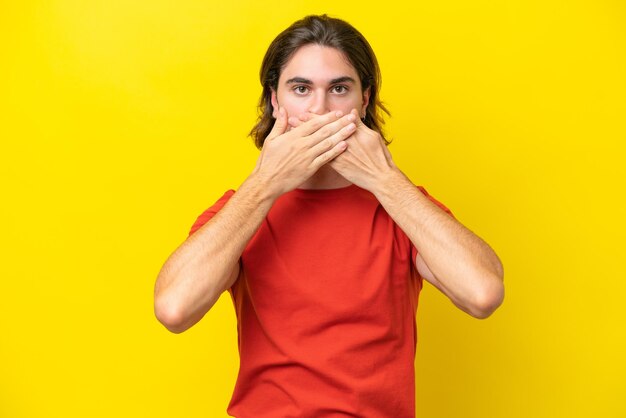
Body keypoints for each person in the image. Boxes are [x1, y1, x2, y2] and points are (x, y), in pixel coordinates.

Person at [154, 14, 504, 418]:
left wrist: (385, 181)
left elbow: (483, 294)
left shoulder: (402, 207)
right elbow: (174, 309)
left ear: (364, 100)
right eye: (300, 89)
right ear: (274, 100)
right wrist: (265, 184)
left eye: (339, 89)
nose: (319, 110)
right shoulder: (243, 209)